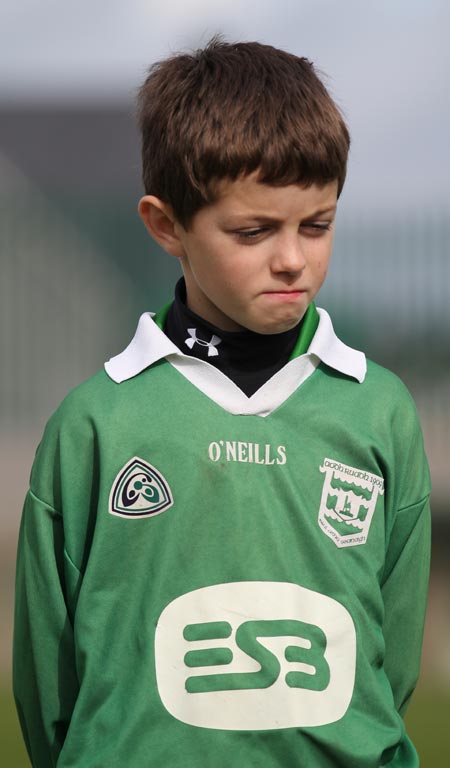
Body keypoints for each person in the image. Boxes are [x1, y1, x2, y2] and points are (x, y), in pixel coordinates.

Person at [13, 38, 431, 767]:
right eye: (254, 230)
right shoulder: (95, 425)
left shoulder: (380, 411)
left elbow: (390, 668)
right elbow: (47, 689)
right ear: (166, 225)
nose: (293, 258)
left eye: (317, 224)